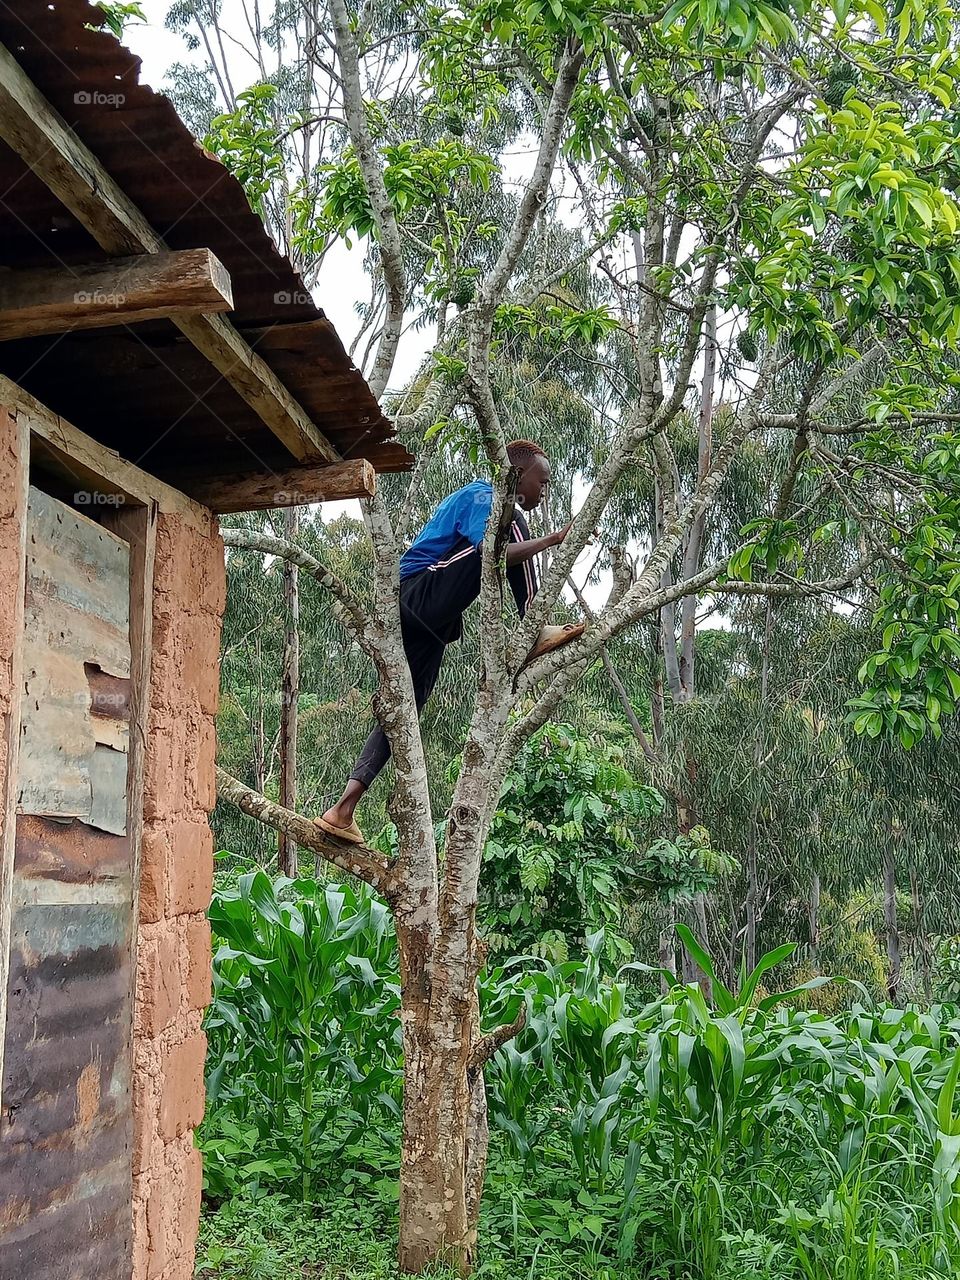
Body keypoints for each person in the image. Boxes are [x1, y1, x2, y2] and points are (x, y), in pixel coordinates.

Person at [316, 439, 585, 844]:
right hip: (416, 594)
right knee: (506, 528)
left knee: (404, 709)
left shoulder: (490, 503)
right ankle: (534, 623)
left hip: (427, 623)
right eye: (542, 482)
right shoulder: (484, 495)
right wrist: (552, 540)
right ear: (515, 474)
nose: (544, 491)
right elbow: (490, 554)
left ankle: (343, 809)